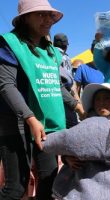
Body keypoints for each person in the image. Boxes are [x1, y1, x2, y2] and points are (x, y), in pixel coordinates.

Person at [0, 0, 66, 199]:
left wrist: (78, 105)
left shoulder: (50, 51)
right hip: (15, 123)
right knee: (16, 187)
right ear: (24, 18)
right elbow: (6, 85)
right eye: (40, 14)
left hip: (46, 124)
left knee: (49, 179)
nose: (47, 19)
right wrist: (30, 118)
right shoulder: (9, 44)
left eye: (49, 15)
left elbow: (56, 85)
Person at [42, 83, 110, 200]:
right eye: (97, 99)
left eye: (107, 98)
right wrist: (67, 159)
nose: (102, 103)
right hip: (86, 186)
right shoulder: (86, 124)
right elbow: (71, 143)